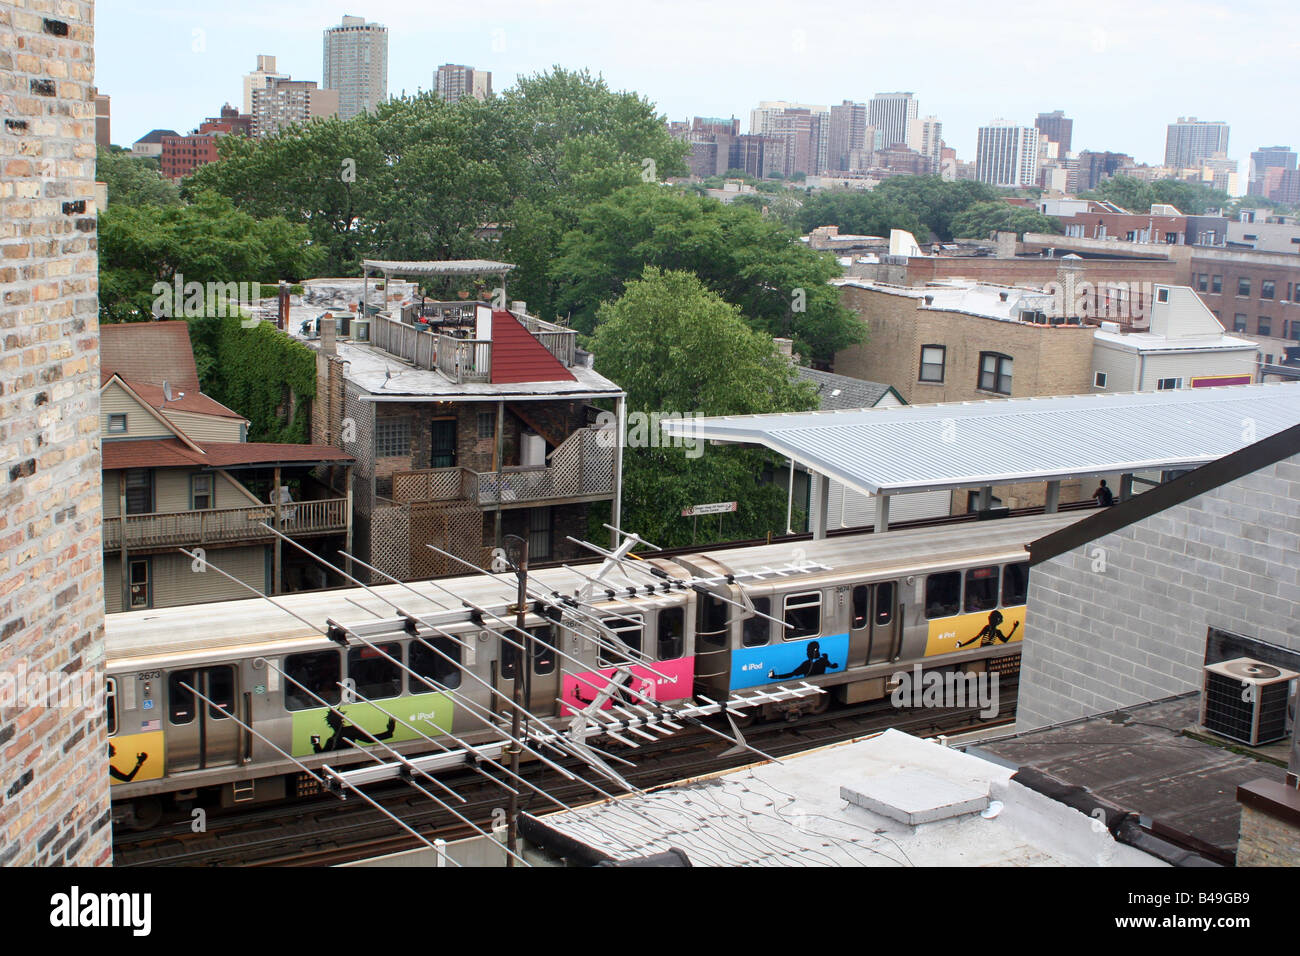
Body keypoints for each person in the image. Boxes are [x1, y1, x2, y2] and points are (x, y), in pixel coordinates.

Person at [768, 641, 839, 680]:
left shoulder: (806, 664)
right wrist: (827, 658)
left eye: (808, 651)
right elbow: (833, 666)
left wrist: (775, 676)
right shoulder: (822, 660)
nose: (807, 653)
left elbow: (791, 674)